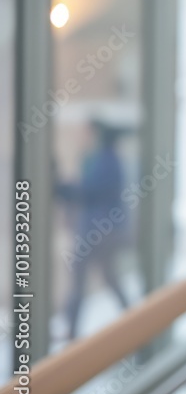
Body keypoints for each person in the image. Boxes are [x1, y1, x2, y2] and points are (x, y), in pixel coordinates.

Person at [62, 118, 131, 339]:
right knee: (106, 278)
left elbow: (88, 191)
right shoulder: (100, 159)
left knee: (85, 279)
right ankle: (133, 324)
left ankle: (72, 334)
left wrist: (61, 187)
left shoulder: (107, 160)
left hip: (99, 232)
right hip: (97, 231)